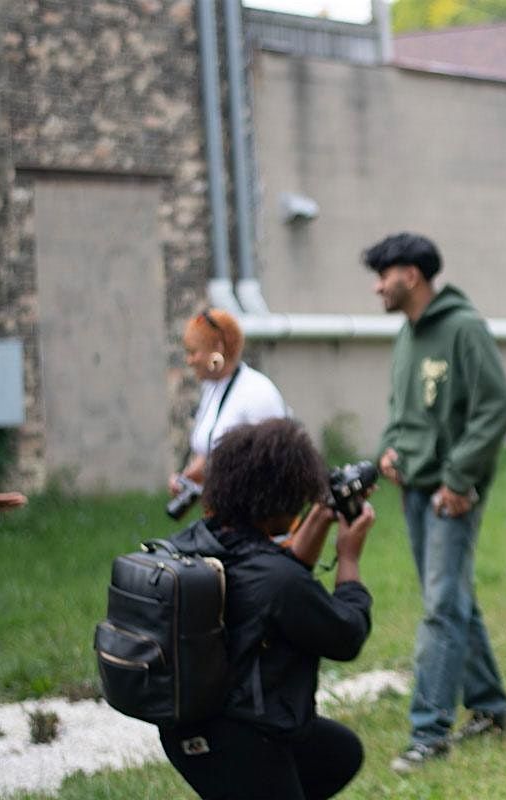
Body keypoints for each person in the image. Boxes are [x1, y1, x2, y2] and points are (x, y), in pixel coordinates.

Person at [363, 232, 506, 773]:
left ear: (413, 274)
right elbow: (404, 410)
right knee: (452, 599)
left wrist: (457, 478)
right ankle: (492, 708)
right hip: (416, 489)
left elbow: (496, 409)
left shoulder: (463, 329)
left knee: (440, 606)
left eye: (384, 274)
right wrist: (390, 448)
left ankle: (428, 733)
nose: (378, 286)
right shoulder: (408, 335)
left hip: (454, 494)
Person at [158, 417, 375, 800]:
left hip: (183, 728)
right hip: (240, 739)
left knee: (337, 754)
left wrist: (323, 514)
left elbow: (273, 571)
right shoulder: (277, 582)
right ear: (286, 499)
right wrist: (349, 558)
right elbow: (347, 635)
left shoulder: (197, 542)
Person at [170, 308, 287, 496]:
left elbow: (275, 460)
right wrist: (187, 478)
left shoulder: (258, 392)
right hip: (223, 509)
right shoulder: (213, 387)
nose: (189, 361)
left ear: (218, 348)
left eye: (193, 352)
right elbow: (209, 451)